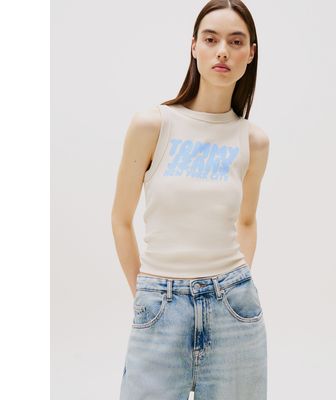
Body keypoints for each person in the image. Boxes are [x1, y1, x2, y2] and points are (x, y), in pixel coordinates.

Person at [111, 1, 270, 399]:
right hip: (160, 305)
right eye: (211, 39)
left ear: (250, 53)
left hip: (234, 310)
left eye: (236, 42)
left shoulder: (253, 140)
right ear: (194, 46)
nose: (222, 51)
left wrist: (233, 285)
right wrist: (145, 296)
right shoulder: (153, 124)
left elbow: (246, 220)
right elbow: (121, 218)